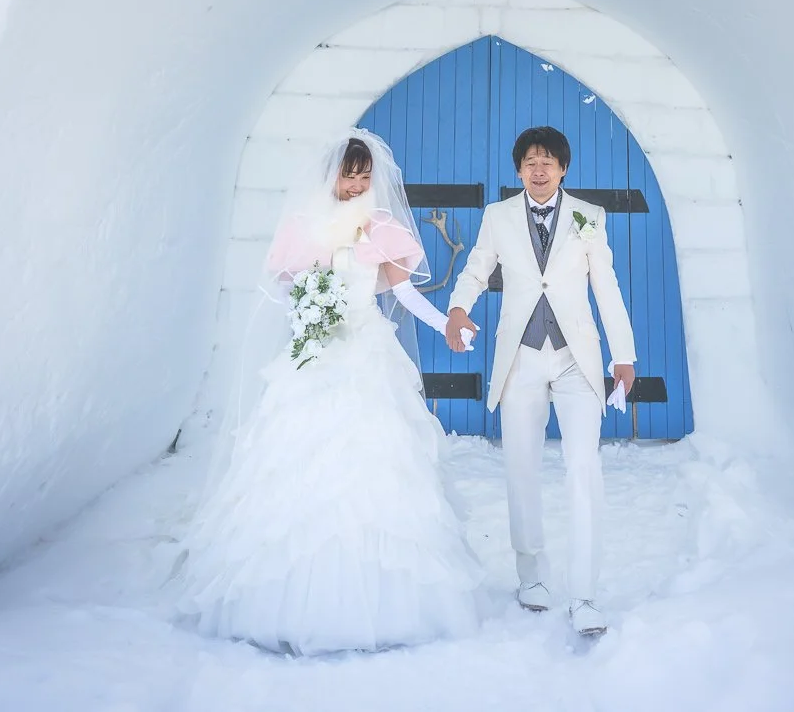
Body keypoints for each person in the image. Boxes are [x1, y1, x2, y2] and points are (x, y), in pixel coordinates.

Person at [173, 130, 482, 653]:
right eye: (349, 174)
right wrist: (310, 314)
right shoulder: (304, 227)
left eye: (364, 175)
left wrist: (447, 325)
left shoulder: (381, 228)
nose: (356, 183)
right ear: (332, 175)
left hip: (367, 356)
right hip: (316, 357)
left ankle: (387, 605)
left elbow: (404, 294)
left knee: (375, 465)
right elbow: (286, 290)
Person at [445, 126, 637, 637]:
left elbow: (608, 289)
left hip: (577, 360)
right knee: (521, 466)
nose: (539, 168)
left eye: (547, 160)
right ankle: (530, 576)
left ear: (563, 168)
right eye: (530, 160)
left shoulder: (588, 218)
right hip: (522, 358)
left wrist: (624, 354)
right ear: (518, 169)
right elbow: (476, 268)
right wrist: (458, 308)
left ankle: (586, 593)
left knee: (582, 469)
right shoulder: (498, 216)